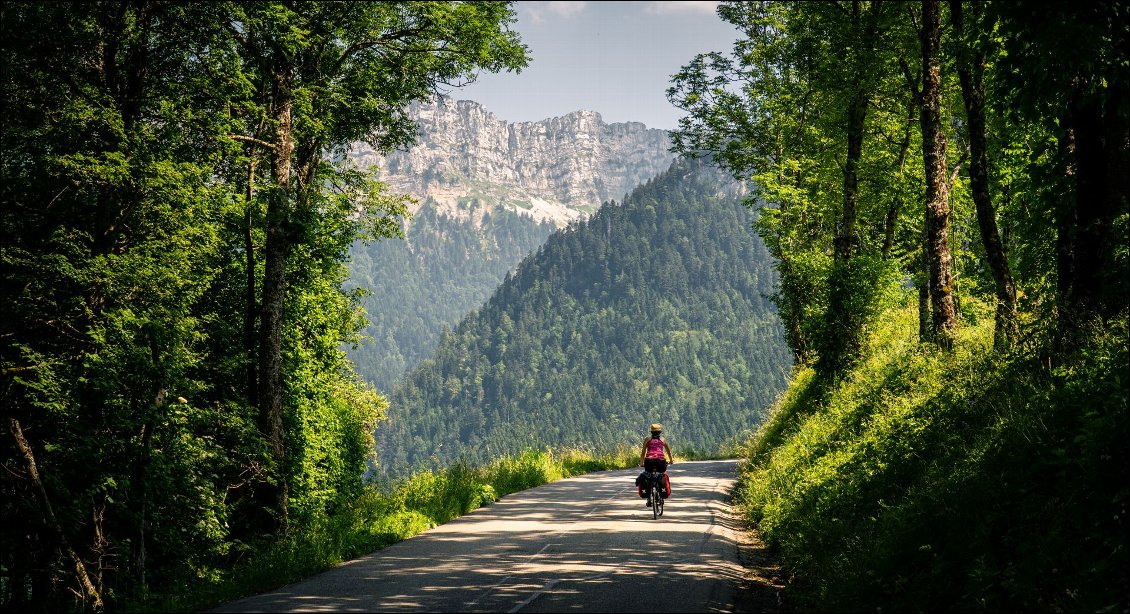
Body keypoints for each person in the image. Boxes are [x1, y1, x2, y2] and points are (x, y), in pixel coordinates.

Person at [637, 423, 673, 504]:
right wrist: (671, 460)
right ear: (660, 432)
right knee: (662, 474)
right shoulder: (663, 440)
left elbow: (643, 453)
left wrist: (641, 463)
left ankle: (649, 498)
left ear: (651, 432)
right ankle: (661, 493)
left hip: (649, 461)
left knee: (648, 475)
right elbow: (669, 452)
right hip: (660, 462)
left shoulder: (647, 439)